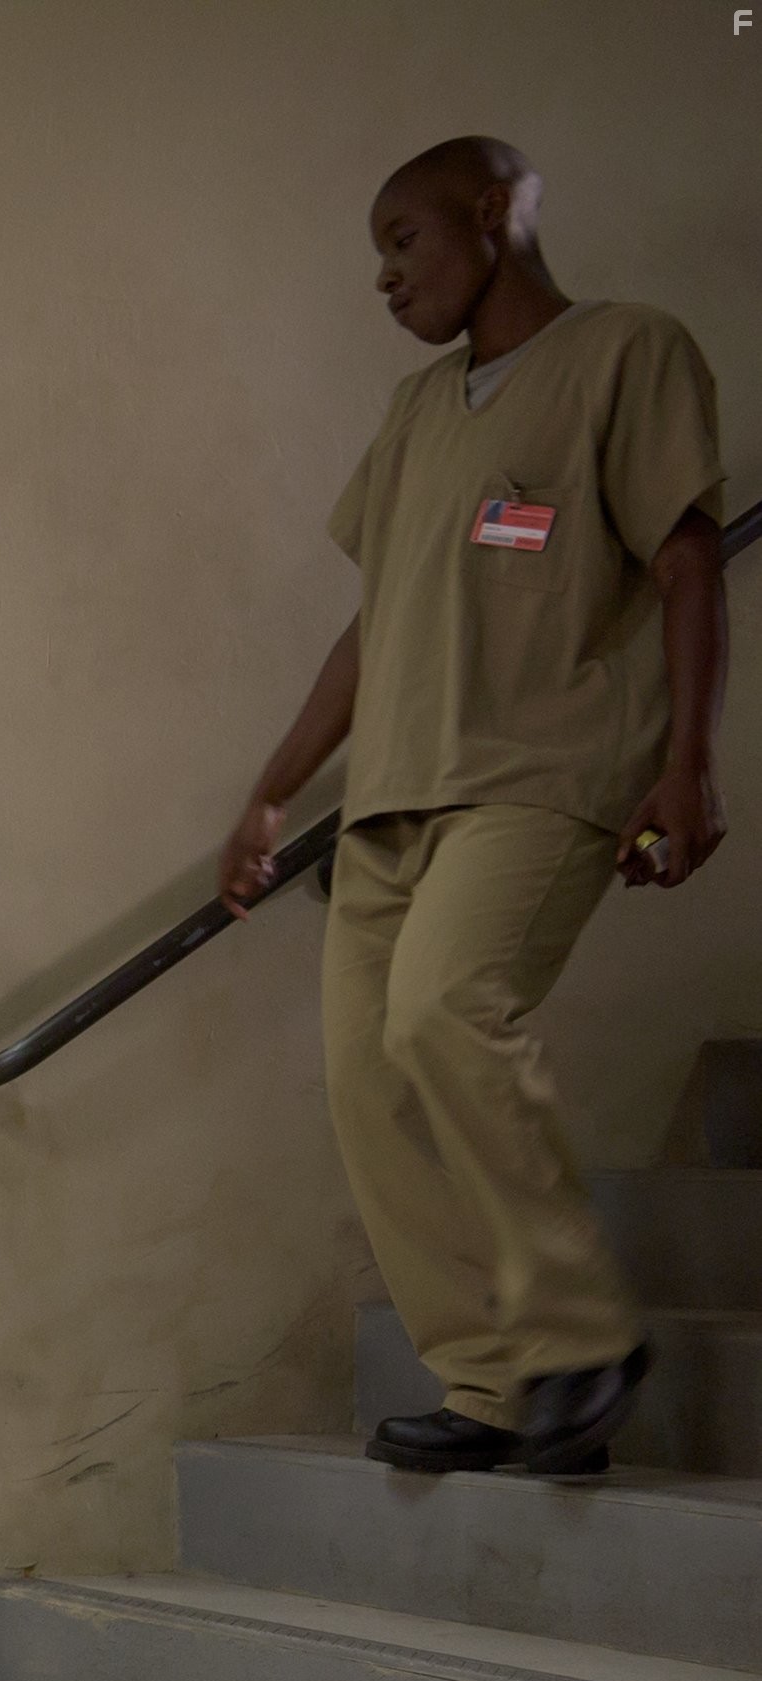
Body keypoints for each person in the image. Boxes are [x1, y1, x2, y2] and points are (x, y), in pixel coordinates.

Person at [223, 138, 729, 1477]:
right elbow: (371, 625)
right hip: (393, 790)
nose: (384, 276)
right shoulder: (410, 416)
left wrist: (688, 763)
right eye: (376, 255)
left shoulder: (627, 352)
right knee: (365, 1079)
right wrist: (272, 790)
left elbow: (685, 568)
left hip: (542, 770)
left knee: (446, 1010)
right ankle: (497, 1385)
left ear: (493, 216)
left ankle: (578, 1339)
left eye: (405, 239)